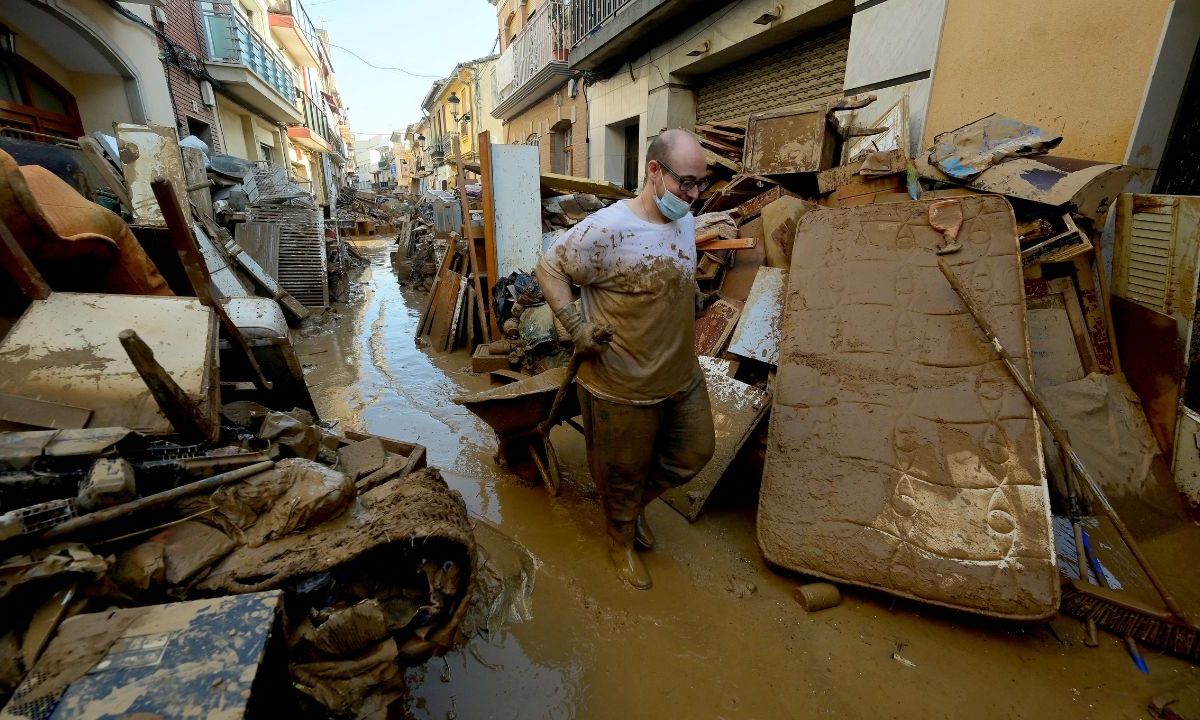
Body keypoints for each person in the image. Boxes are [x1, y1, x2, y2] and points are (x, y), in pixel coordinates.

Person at [534, 128, 715, 590]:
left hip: (680, 373)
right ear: (655, 171)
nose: (693, 196)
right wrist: (576, 327)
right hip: (623, 383)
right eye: (685, 183)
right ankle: (620, 540)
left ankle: (629, 512)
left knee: (695, 451)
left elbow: (672, 268)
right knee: (622, 473)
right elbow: (549, 268)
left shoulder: (685, 219)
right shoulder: (607, 229)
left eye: (700, 184)